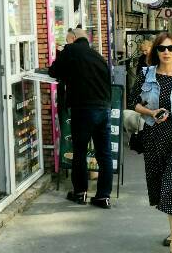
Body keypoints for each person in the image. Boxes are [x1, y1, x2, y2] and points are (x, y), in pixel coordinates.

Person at [128, 33, 172, 253]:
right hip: (154, 138)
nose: (166, 52)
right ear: (155, 52)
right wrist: (151, 111)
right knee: (161, 188)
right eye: (161, 48)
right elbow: (133, 102)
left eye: (170, 48)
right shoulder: (145, 74)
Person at [48, 28, 113, 208]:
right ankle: (103, 196)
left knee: (80, 151)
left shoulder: (70, 50)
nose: (65, 43)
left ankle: (80, 192)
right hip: (104, 108)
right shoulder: (98, 56)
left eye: (67, 39)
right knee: (104, 154)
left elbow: (54, 71)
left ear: (74, 38)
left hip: (83, 109)